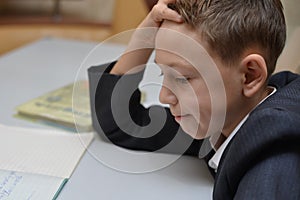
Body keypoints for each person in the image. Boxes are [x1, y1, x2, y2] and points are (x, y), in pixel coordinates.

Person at [88, 0, 300, 199]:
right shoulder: (223, 116)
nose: (164, 96)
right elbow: (121, 122)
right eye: (163, 74)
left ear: (250, 75)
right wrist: (146, 35)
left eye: (182, 78)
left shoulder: (274, 158)